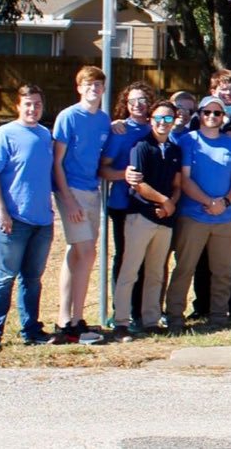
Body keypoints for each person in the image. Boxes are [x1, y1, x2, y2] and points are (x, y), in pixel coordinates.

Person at [166, 97, 231, 333]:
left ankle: (219, 317)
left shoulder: (230, 144)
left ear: (224, 117)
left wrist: (223, 202)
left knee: (223, 271)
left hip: (225, 218)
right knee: (185, 268)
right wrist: (208, 202)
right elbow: (184, 179)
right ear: (199, 114)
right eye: (207, 112)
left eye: (217, 113)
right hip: (193, 216)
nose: (212, 117)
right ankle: (175, 316)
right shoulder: (188, 141)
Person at [0, 85, 58, 350]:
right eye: (28, 104)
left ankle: (31, 330)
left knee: (32, 279)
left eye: (37, 104)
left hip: (41, 221)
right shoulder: (4, 135)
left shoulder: (44, 135)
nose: (33, 109)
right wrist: (1, 211)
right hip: (12, 220)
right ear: (18, 106)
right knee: (4, 277)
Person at [111, 102, 183, 341]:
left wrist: (170, 203)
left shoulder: (174, 148)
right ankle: (121, 321)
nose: (163, 123)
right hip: (140, 216)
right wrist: (164, 201)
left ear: (174, 121)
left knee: (155, 273)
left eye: (168, 119)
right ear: (151, 119)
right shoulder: (141, 146)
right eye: (159, 118)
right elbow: (138, 183)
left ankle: (151, 320)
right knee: (130, 271)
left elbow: (177, 183)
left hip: (165, 219)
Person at [50, 66, 111, 344]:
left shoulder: (102, 120)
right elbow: (57, 162)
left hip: (92, 190)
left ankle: (73, 320)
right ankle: (67, 319)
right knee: (85, 253)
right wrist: (68, 199)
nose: (93, 89)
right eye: (88, 84)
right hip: (71, 190)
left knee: (79, 254)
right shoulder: (67, 117)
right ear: (79, 88)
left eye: (98, 84)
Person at [101, 82, 157, 322]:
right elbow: (103, 169)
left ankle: (144, 312)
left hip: (151, 204)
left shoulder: (156, 128)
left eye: (143, 100)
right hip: (123, 204)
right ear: (126, 103)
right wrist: (123, 174)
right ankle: (121, 313)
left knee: (150, 260)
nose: (138, 105)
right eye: (132, 100)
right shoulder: (120, 131)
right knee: (125, 258)